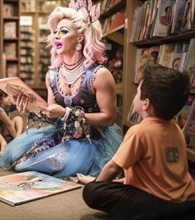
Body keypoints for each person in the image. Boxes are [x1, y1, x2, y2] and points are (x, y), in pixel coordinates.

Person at [0, 1, 122, 178]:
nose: (56, 36)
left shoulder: (99, 74)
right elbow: (52, 117)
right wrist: (30, 110)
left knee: (44, 164)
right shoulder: (52, 75)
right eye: (55, 32)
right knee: (18, 160)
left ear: (80, 37)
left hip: (91, 140)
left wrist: (66, 113)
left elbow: (109, 118)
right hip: (60, 133)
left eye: (63, 31)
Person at [78, 65, 195, 219]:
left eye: (137, 92)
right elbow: (161, 173)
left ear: (145, 103)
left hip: (160, 205)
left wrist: (96, 184)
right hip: (188, 200)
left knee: (92, 192)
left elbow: (113, 167)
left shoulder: (138, 131)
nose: (134, 94)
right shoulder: (177, 130)